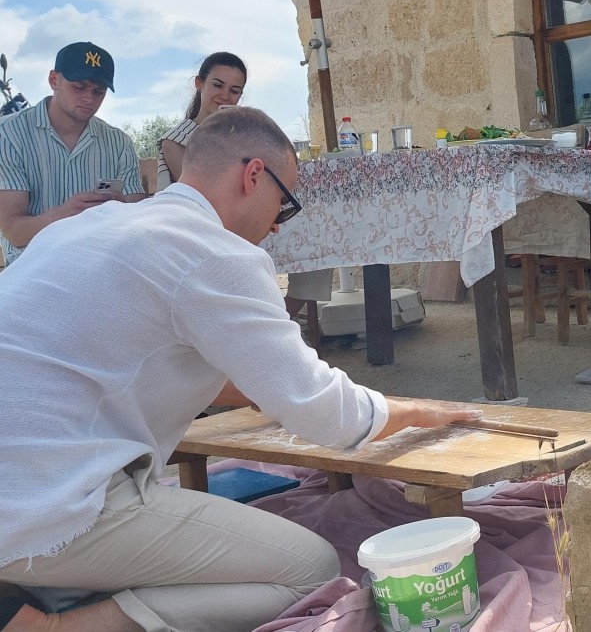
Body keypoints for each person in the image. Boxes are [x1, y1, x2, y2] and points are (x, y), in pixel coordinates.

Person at [0, 107, 481, 632]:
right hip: (41, 505)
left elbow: (140, 358)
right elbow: (328, 416)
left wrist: (267, 389)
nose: (277, 224)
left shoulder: (94, 224)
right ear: (253, 175)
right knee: (312, 571)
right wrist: (419, 412)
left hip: (23, 482)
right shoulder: (213, 252)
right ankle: (53, 626)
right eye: (285, 203)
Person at [0, 41, 145, 266]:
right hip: (31, 269)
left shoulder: (119, 142)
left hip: (100, 265)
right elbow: (14, 232)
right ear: (54, 80)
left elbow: (136, 220)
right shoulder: (8, 133)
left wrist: (120, 210)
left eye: (99, 90)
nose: (89, 97)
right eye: (79, 86)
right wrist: (66, 214)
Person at [156, 51, 247, 192]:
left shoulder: (244, 138)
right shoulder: (175, 141)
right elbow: (204, 196)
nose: (225, 96)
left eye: (234, 91)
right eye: (217, 85)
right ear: (199, 83)